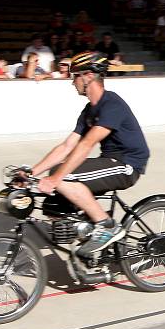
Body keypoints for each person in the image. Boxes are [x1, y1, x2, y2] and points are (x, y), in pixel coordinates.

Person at [23, 51, 150, 258]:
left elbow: (87, 144)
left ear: (89, 76)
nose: (72, 82)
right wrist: (31, 173)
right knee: (56, 198)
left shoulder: (112, 104)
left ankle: (106, 226)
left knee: (64, 177)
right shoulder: (89, 110)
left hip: (127, 164)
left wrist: (54, 178)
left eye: (75, 76)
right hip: (109, 161)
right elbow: (67, 146)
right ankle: (88, 235)